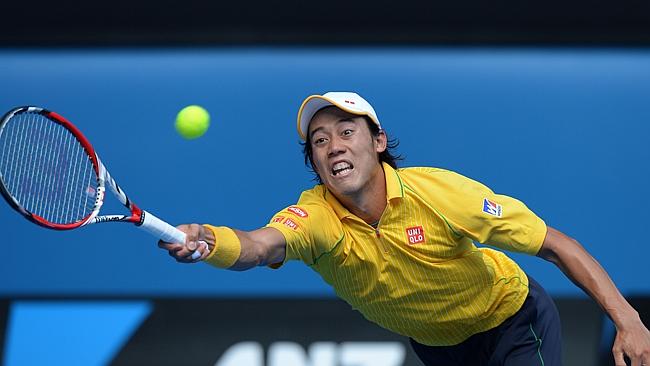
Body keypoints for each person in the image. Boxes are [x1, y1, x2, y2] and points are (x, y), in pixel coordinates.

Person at [159, 92, 650, 366]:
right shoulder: (316, 218)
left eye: (346, 132)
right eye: (319, 141)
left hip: (512, 324)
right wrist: (211, 240)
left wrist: (628, 321)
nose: (333, 147)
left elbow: (556, 245)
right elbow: (258, 246)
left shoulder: (439, 194)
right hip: (439, 350)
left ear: (378, 141)